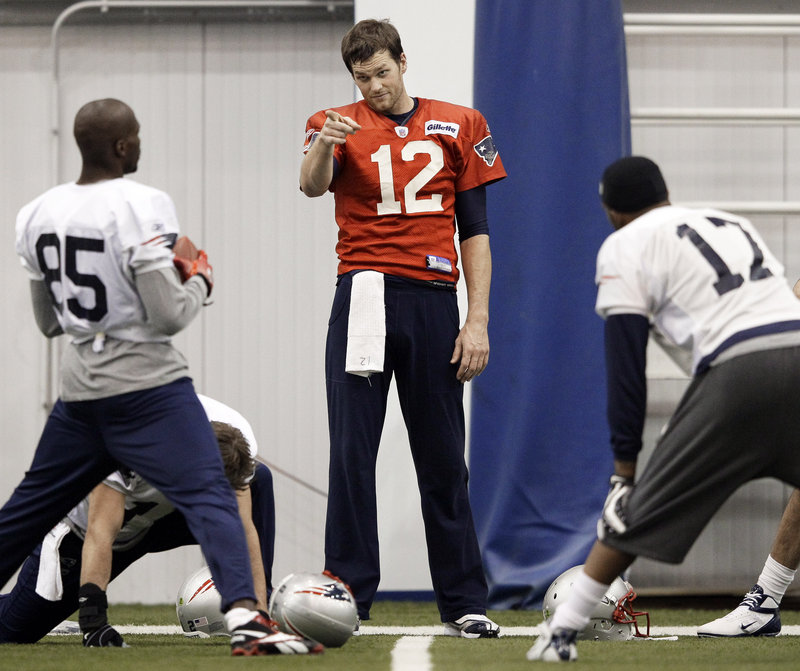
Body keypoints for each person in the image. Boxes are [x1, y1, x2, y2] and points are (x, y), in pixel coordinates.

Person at [8, 98, 319, 656]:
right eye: (139, 137)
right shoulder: (142, 203)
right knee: (211, 496)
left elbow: (48, 322)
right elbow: (169, 313)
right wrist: (199, 278)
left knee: (25, 510)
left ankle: (251, 615)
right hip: (147, 385)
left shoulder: (36, 213)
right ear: (124, 146)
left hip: (81, 387)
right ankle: (249, 619)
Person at [527, 155, 800, 662]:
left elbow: (626, 368)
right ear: (665, 194)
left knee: (634, 516)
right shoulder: (729, 222)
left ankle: (562, 629)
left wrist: (623, 473)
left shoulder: (623, 244)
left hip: (737, 369)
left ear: (611, 211)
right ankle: (765, 599)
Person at [299, 19, 506, 637]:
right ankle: (347, 598)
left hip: (434, 296)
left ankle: (465, 602)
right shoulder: (332, 121)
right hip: (363, 293)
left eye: (382, 73)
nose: (373, 87)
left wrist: (478, 321)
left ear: (403, 62)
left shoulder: (461, 123)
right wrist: (323, 146)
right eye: (362, 78)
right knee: (352, 455)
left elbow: (475, 229)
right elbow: (310, 187)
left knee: (443, 458)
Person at [0, 395, 276, 646]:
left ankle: (260, 611)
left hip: (160, 519)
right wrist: (94, 620)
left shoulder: (237, 438)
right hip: (85, 532)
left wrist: (258, 616)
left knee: (259, 480)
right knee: (15, 631)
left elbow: (242, 527)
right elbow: (100, 532)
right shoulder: (127, 445)